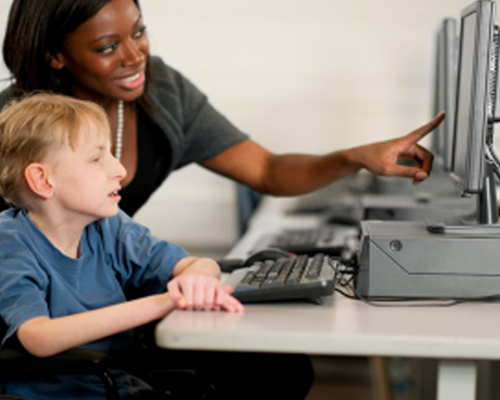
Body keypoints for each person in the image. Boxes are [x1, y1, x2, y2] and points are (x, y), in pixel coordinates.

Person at [0, 0, 444, 218]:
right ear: (55, 55)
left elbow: (266, 170)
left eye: (139, 32)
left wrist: (356, 157)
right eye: (107, 47)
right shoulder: (15, 129)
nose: (135, 56)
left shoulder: (163, 91)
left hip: (109, 297)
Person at [0, 93, 244, 400]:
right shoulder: (9, 243)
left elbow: (193, 264)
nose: (120, 170)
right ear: (43, 180)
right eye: (96, 159)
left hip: (122, 384)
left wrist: (199, 279)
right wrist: (164, 302)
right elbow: (38, 337)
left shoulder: (107, 226)